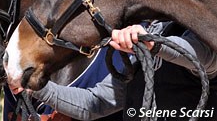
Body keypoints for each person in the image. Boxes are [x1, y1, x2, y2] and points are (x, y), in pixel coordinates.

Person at [30, 20, 217, 120]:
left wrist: (154, 44)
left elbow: (205, 59)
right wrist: (34, 86)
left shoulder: (203, 31)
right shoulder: (151, 35)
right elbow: (93, 103)